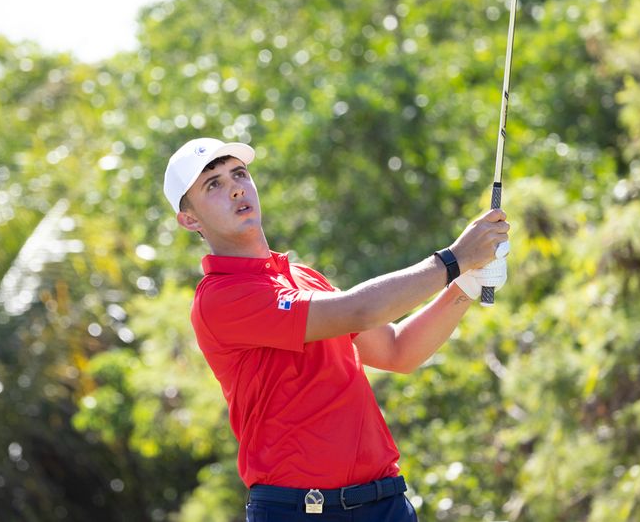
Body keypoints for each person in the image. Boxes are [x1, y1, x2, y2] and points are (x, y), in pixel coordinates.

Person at [163, 137, 510, 522]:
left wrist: (465, 285)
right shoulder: (220, 298)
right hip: (300, 511)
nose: (235, 188)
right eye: (213, 184)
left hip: (386, 502)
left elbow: (398, 351)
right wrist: (456, 259)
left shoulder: (303, 277)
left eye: (239, 174)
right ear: (190, 219)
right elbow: (360, 310)